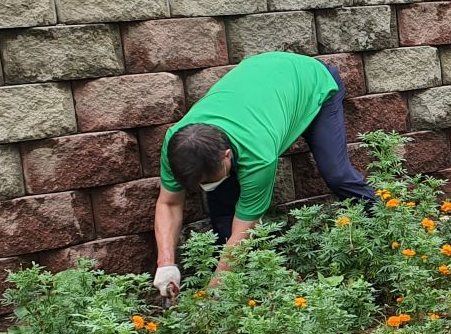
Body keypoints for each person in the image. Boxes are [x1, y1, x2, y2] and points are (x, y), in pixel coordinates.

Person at [152, 52, 375, 298]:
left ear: (226, 155)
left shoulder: (258, 155)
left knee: (337, 174)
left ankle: (384, 225)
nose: (205, 187)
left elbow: (244, 230)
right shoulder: (177, 143)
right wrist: (165, 264)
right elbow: (169, 203)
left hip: (311, 80)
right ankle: (242, 288)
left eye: (209, 180)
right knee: (222, 207)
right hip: (261, 82)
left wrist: (213, 295)